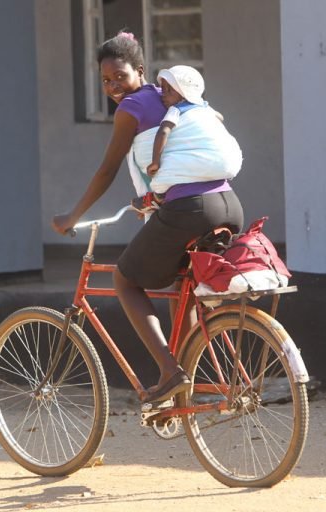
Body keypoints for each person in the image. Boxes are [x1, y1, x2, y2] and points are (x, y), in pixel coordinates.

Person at [51, 31, 244, 404]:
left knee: (125, 279)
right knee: (181, 289)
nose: (113, 87)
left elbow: (107, 170)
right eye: (105, 80)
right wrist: (151, 197)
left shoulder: (131, 108)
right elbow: (185, 154)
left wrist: (72, 216)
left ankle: (171, 373)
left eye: (120, 76)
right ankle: (183, 393)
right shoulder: (174, 96)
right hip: (228, 204)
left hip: (189, 209)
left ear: (140, 71)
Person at [146, 65, 241, 199]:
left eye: (169, 90)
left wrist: (155, 161)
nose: (163, 94)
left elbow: (164, 131)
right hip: (223, 166)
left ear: (183, 92)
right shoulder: (203, 106)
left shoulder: (176, 109)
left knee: (162, 175)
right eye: (163, 89)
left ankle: (158, 197)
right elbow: (220, 117)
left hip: (199, 175)